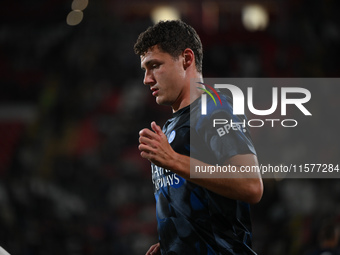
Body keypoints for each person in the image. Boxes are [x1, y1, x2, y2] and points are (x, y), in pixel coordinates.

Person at [134, 20, 263, 255]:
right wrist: (174, 241)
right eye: (145, 69)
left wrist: (174, 160)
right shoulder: (175, 124)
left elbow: (251, 184)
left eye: (154, 65)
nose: (147, 79)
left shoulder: (214, 109)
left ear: (186, 59)